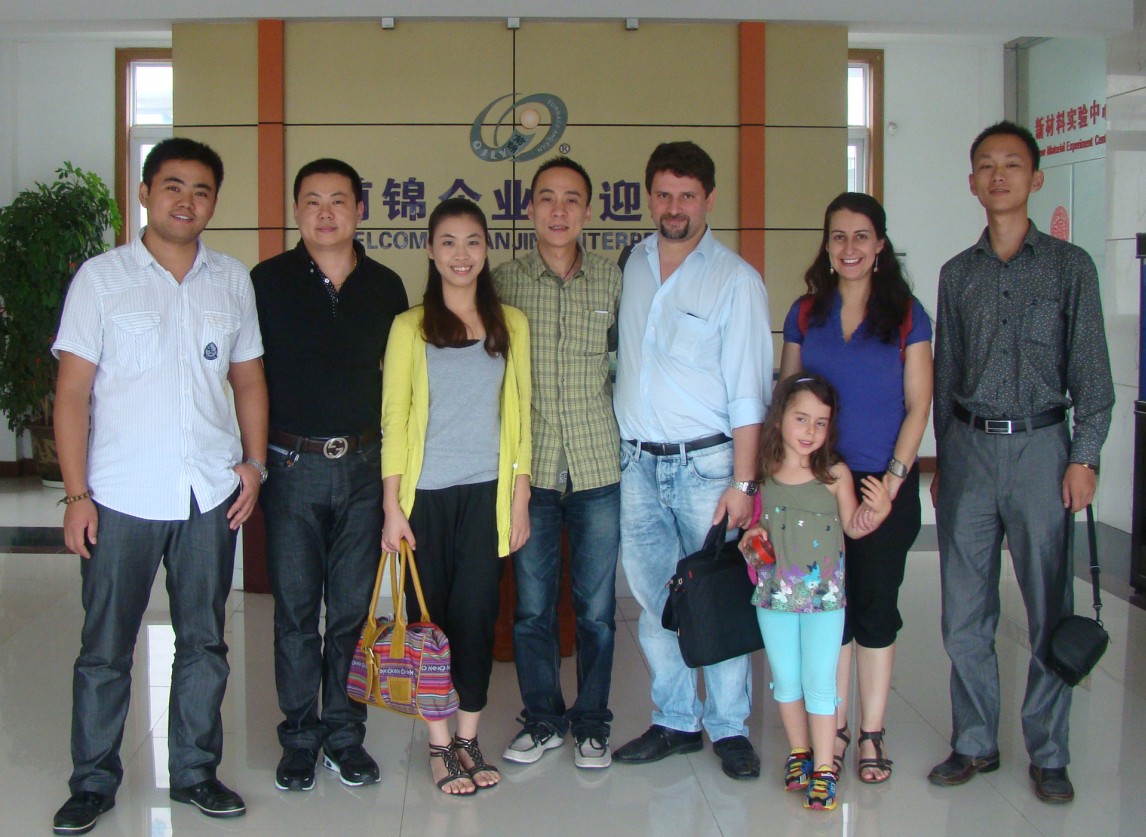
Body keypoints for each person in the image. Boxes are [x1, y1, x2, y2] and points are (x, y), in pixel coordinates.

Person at [51, 137, 267, 835]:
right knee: (105, 647)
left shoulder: (231, 280)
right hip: (120, 495)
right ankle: (92, 782)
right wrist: (77, 495)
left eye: (202, 190)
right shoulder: (101, 280)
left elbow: (248, 379)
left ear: (214, 202)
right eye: (172, 185)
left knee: (205, 641)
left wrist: (254, 464)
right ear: (145, 193)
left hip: (208, 492)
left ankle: (197, 772)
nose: (186, 200)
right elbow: (72, 392)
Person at [929, 121, 1114, 804]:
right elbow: (946, 376)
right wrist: (945, 461)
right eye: (986, 165)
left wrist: (1084, 457)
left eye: (1012, 164)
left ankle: (1049, 752)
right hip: (971, 450)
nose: (998, 175)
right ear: (972, 182)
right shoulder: (957, 275)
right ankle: (975, 740)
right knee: (963, 612)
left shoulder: (1071, 267)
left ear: (1035, 178)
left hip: (1044, 449)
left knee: (1048, 608)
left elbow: (1093, 377)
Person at [612, 141, 772, 780]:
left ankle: (730, 728)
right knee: (657, 601)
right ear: (649, 197)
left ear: (709, 199)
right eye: (663, 194)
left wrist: (744, 482)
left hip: (709, 469)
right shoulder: (632, 264)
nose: (673, 207)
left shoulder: (736, 279)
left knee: (720, 597)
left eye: (687, 195)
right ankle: (676, 719)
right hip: (636, 467)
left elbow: (749, 391)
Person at [251, 158, 408, 792]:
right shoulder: (265, 282)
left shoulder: (387, 286)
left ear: (359, 210)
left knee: (348, 613)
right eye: (312, 200)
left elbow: (399, 386)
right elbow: (246, 378)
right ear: (296, 211)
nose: (325, 212)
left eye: (338, 200)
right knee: (294, 612)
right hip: (291, 467)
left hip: (365, 468)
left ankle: (344, 735)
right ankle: (299, 737)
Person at [779, 191, 932, 783]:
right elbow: (789, 401)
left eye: (861, 236)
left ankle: (871, 733)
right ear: (826, 244)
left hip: (880, 486)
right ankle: (834, 729)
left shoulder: (907, 314)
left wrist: (892, 481)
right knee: (828, 613)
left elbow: (918, 406)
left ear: (880, 245)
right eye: (838, 236)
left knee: (874, 608)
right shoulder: (805, 313)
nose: (849, 247)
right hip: (816, 486)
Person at [381, 198, 532, 795]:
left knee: (476, 617)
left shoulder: (510, 324)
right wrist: (392, 506)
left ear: (486, 249)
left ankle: (469, 738)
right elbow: (395, 418)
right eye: (448, 242)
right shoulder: (409, 327)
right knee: (429, 623)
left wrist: (519, 496)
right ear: (430, 250)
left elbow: (521, 416)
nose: (460, 254)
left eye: (472, 241)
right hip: (425, 499)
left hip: (487, 496)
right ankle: (439, 745)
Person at [493, 156, 623, 770]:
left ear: (588, 211)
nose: (559, 210)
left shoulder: (612, 281)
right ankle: (543, 719)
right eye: (546, 197)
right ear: (529, 208)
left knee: (597, 612)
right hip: (533, 471)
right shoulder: (503, 283)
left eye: (572, 199)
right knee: (532, 609)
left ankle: (592, 723)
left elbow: (629, 364)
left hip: (597, 466)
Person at [738, 374, 890, 811]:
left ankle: (825, 769)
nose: (810, 431)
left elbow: (854, 527)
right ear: (779, 418)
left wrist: (878, 511)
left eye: (820, 423)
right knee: (786, 681)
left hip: (825, 602)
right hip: (774, 598)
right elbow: (755, 527)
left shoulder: (834, 474)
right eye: (801, 419)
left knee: (820, 682)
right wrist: (751, 538)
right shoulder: (764, 473)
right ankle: (799, 753)